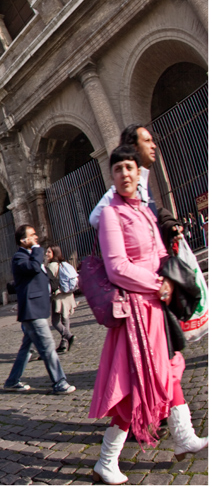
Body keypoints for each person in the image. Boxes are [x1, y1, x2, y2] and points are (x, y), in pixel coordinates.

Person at [90, 145, 207, 484]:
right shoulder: (112, 213)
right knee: (137, 383)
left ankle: (183, 435)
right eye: (118, 169)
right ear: (112, 176)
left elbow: (157, 251)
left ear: (138, 171)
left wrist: (168, 280)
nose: (125, 174)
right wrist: (157, 283)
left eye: (130, 167)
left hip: (158, 306)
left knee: (169, 368)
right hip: (137, 311)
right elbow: (116, 268)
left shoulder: (142, 209)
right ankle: (106, 460)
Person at [2, 225, 76, 395]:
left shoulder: (29, 256)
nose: (36, 238)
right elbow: (34, 267)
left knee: (26, 349)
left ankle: (12, 381)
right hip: (31, 310)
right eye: (32, 235)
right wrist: (37, 250)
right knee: (48, 346)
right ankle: (59, 382)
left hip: (37, 308)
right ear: (23, 240)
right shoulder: (19, 257)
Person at [89, 124, 181, 249]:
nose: (153, 145)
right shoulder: (127, 188)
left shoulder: (142, 181)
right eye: (147, 141)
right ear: (134, 147)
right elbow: (95, 218)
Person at [45, 246, 77, 353]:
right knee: (65, 318)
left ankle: (68, 336)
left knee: (55, 322)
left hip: (58, 297)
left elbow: (49, 283)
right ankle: (63, 344)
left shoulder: (51, 266)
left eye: (49, 252)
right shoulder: (64, 264)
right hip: (68, 295)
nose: (46, 254)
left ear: (54, 253)